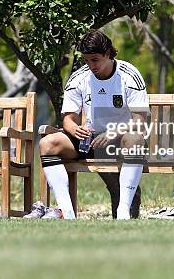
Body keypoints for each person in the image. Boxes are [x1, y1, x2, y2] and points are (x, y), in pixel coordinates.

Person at [37, 30, 149, 219]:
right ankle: (67, 211)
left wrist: (113, 132)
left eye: (95, 60)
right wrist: (75, 129)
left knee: (135, 139)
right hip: (90, 142)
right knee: (47, 144)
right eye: (86, 60)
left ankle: (123, 210)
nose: (90, 65)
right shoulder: (78, 78)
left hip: (121, 140)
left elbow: (139, 121)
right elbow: (68, 119)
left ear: (108, 53)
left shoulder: (129, 75)